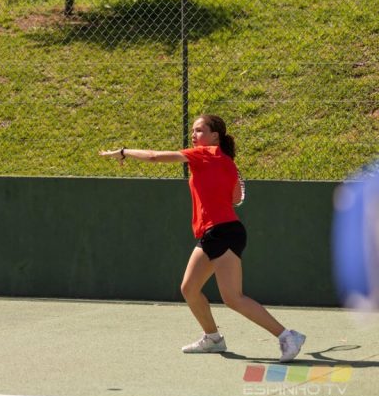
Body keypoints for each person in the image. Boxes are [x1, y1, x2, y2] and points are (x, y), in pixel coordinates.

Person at [99, 114, 307, 363]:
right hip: (216, 232)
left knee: (233, 298)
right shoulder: (227, 162)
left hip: (222, 231)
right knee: (189, 288)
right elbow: (233, 198)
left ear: (214, 136)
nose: (194, 135)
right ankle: (213, 339)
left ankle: (287, 336)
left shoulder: (204, 154)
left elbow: (155, 157)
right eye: (193, 131)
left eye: (199, 130)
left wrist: (123, 151)